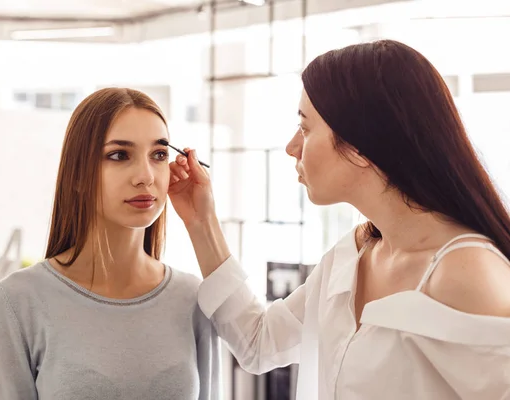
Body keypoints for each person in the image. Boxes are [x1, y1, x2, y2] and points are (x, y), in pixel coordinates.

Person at [168, 40, 510, 399]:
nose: (291, 147)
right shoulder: (353, 253)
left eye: (305, 128)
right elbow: (258, 342)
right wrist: (200, 219)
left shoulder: (466, 271)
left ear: (360, 146)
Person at [0, 88, 220, 400]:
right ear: (78, 175)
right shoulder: (19, 301)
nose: (145, 176)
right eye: (119, 155)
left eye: (159, 155)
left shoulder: (194, 298)